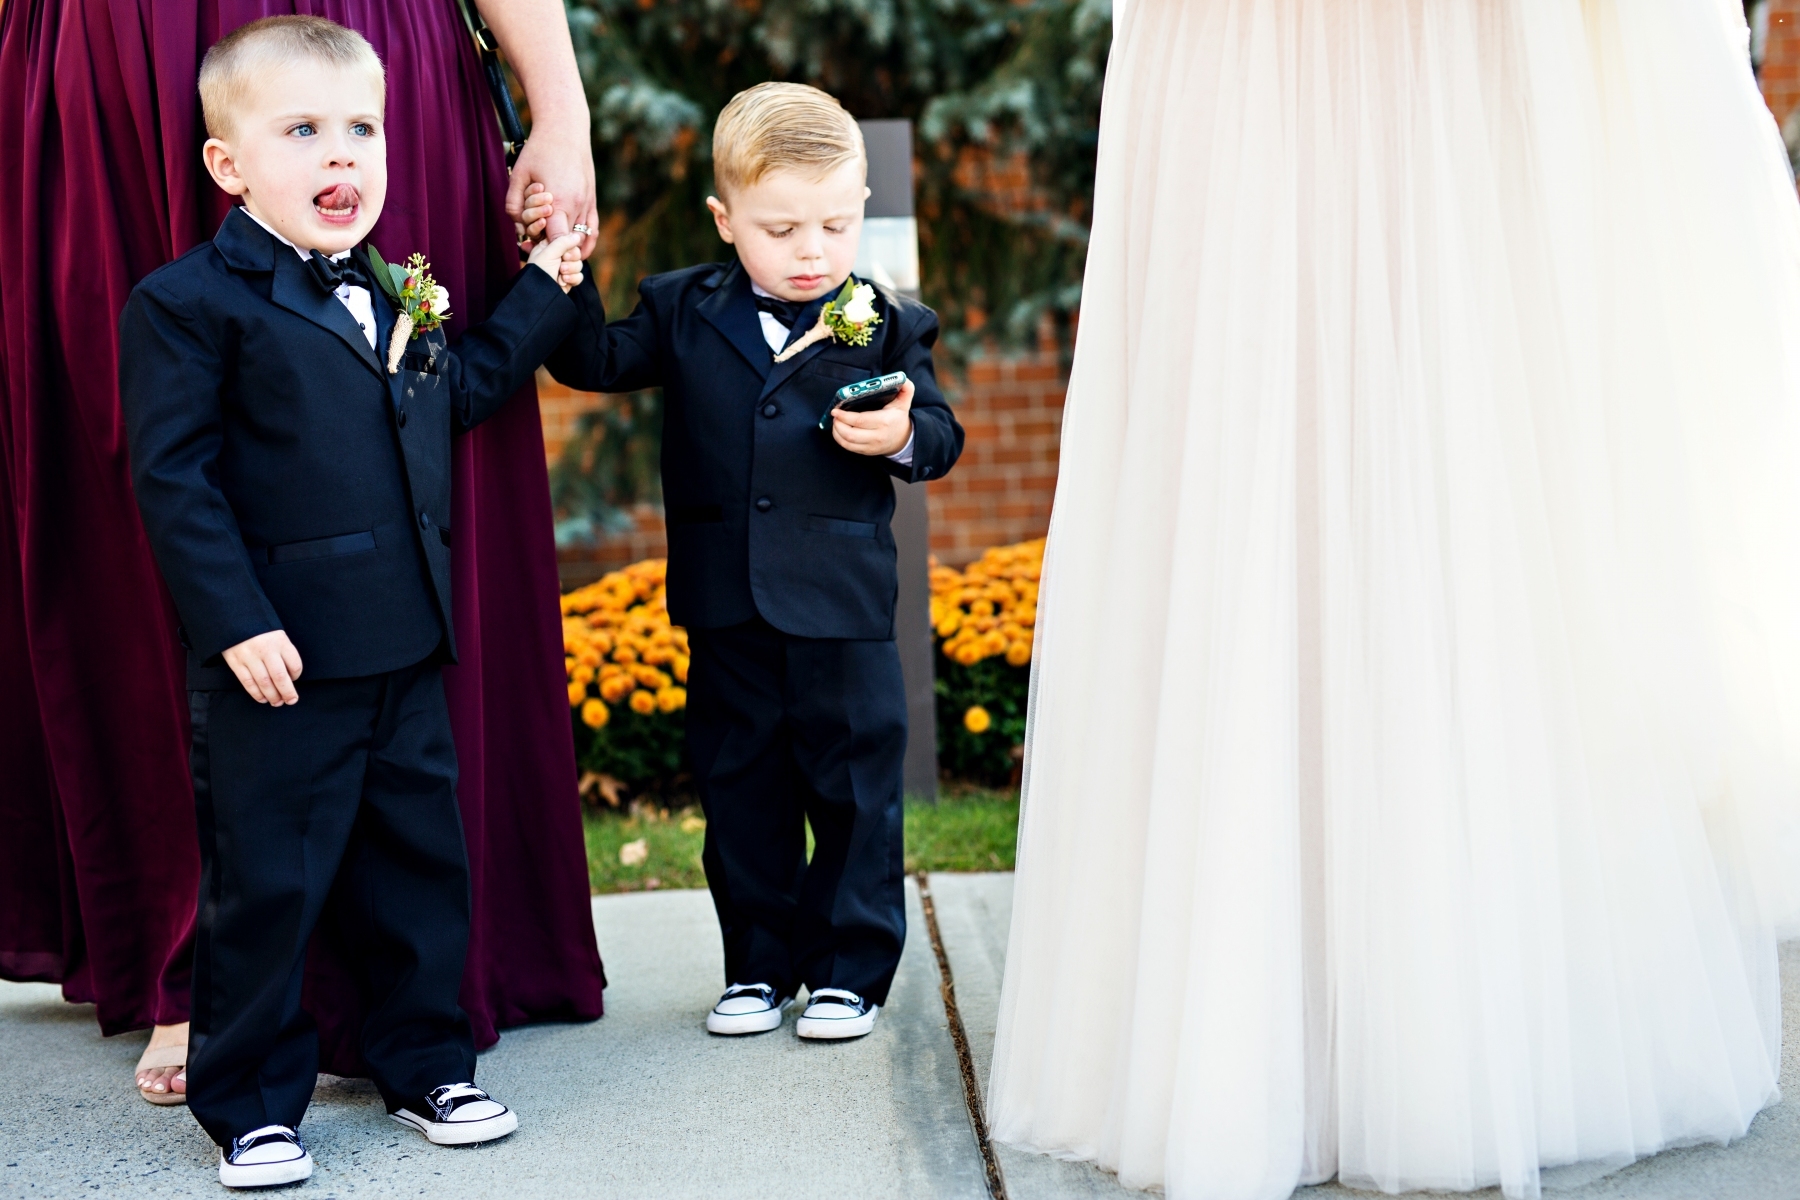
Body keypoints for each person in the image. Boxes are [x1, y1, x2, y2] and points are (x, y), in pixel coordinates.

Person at [989, 1, 1800, 1198]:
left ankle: (1319, 1031)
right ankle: (1424, 1028)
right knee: (1377, 412)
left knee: (1448, 420)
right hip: (1283, 47)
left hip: (1427, 45)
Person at [0, 0, 605, 1107]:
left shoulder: (395, 292)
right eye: (308, 137)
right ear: (225, 165)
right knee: (265, 853)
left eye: (363, 134)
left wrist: (549, 271)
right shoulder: (180, 306)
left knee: (418, 856)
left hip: (404, 645)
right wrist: (233, 619)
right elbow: (172, 477)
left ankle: (426, 1058)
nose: (343, 155)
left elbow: (459, 387)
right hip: (116, 53)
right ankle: (244, 1081)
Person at [543, 82, 963, 1041]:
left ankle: (849, 971)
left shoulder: (894, 322)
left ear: (858, 210)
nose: (811, 250)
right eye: (780, 229)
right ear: (726, 221)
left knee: (855, 792)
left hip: (846, 608)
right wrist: (567, 277)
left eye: (832, 224)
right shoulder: (683, 309)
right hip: (727, 603)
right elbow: (593, 363)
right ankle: (758, 968)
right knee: (741, 792)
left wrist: (901, 434)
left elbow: (939, 436)